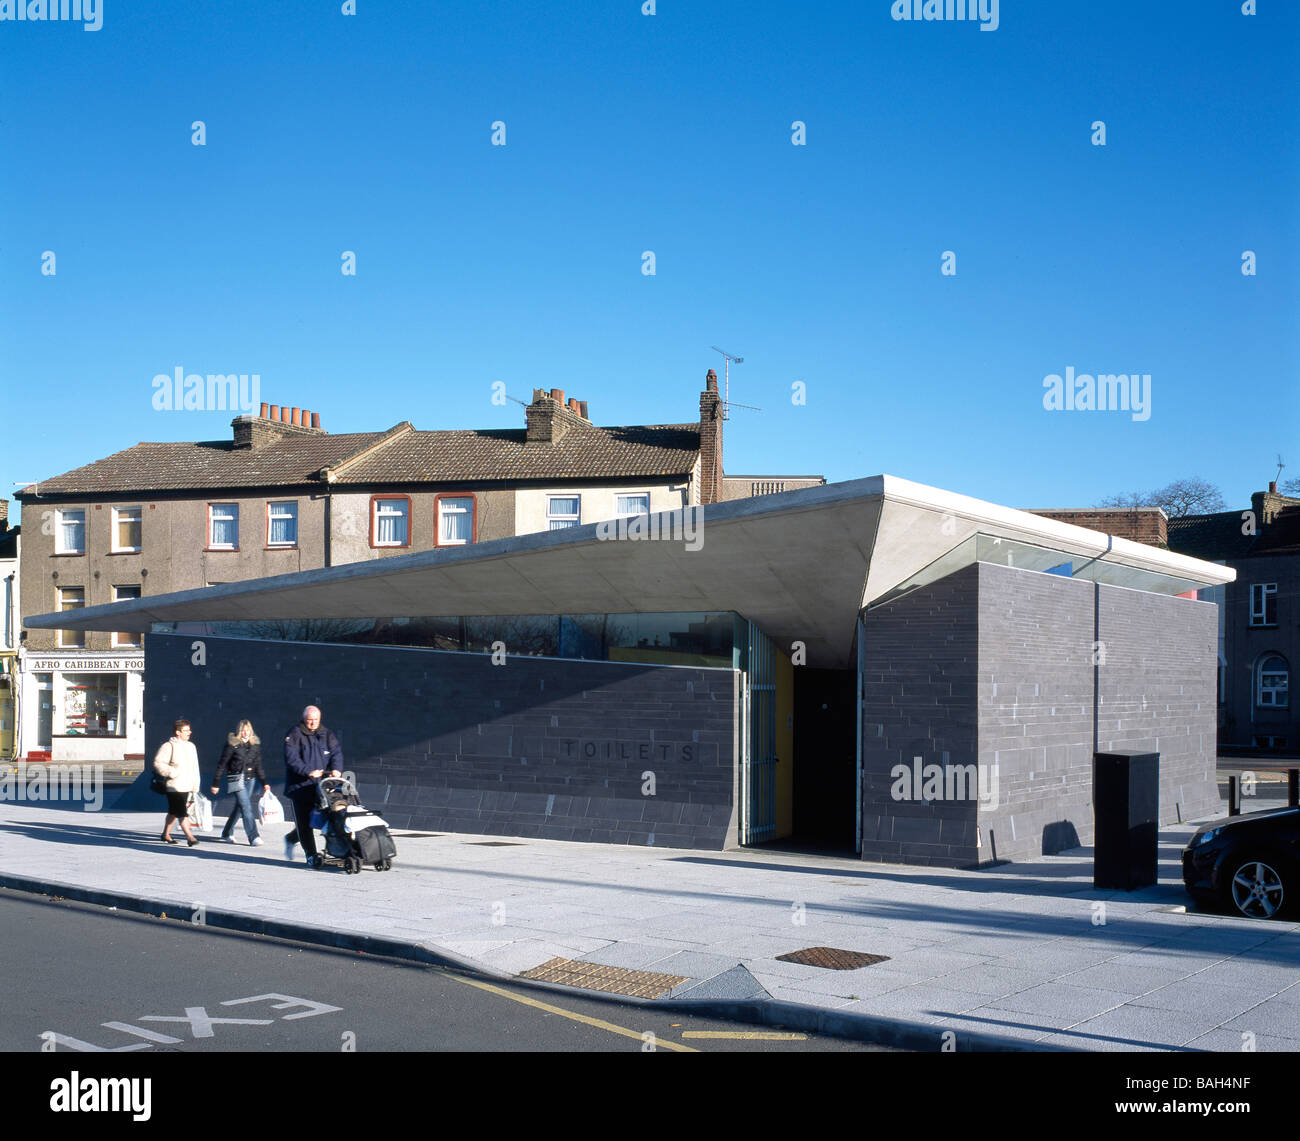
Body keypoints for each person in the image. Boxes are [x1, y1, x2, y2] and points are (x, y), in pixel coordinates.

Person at [282, 705, 342, 864]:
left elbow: (336, 752)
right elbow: (291, 759)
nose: (313, 723)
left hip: (321, 786)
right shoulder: (294, 734)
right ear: (304, 719)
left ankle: (290, 838)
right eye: (310, 720)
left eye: (316, 720)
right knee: (304, 824)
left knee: (321, 820)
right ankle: (311, 855)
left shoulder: (327, 734)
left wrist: (337, 769)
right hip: (300, 787)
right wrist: (308, 771)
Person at [211, 719, 267, 846]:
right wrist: (216, 783)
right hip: (235, 778)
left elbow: (258, 765)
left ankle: (226, 832)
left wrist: (264, 782)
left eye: (248, 730)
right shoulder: (232, 744)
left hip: (250, 779)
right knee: (246, 806)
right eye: (243, 730)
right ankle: (254, 836)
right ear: (239, 731)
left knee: (240, 807)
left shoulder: (255, 745)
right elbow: (222, 764)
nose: (246, 733)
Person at [155, 718, 201, 847]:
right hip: (173, 786)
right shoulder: (169, 746)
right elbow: (158, 763)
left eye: (189, 729)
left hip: (187, 785)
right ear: (178, 732)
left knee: (174, 811)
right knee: (182, 812)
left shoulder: (192, 747)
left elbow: (195, 767)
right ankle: (190, 837)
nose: (189, 732)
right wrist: (172, 772)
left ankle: (165, 834)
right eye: (186, 730)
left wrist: (195, 785)